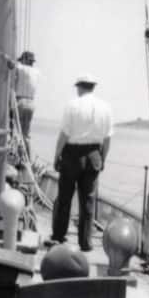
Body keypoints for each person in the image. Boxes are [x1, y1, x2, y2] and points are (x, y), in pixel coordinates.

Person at [51, 73, 113, 251]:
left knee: (65, 197)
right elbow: (107, 139)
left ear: (79, 87)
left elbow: (64, 134)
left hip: (72, 155)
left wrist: (57, 155)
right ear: (93, 87)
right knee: (88, 201)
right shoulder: (105, 107)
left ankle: (59, 237)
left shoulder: (72, 105)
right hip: (94, 154)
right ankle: (85, 243)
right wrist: (102, 159)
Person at [14, 51, 40, 149]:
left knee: (17, 133)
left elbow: (11, 64)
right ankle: (28, 156)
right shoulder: (37, 72)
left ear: (25, 60)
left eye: (21, 60)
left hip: (21, 102)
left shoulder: (21, 68)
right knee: (26, 135)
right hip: (31, 104)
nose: (20, 62)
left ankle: (18, 153)